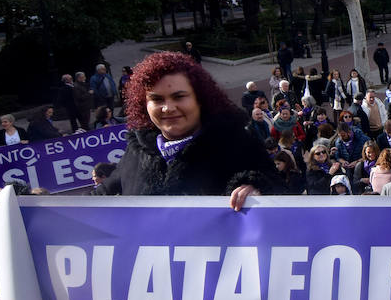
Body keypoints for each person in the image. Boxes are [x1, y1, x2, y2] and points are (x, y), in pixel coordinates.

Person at [92, 52, 278, 209]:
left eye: (179, 97)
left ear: (200, 99)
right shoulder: (136, 150)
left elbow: (278, 188)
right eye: (157, 99)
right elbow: (96, 199)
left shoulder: (238, 145)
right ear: (144, 104)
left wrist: (259, 189)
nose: (168, 108)